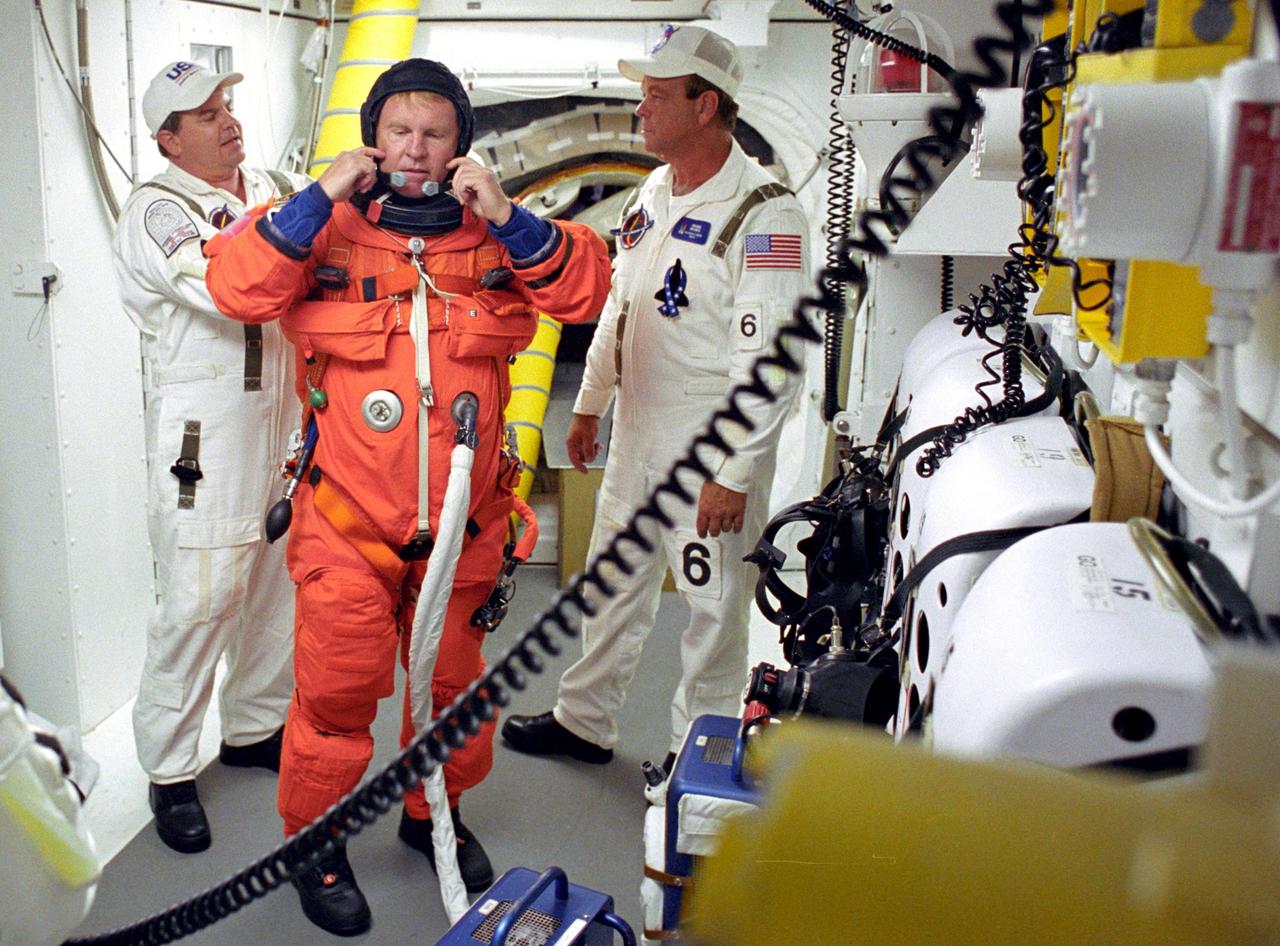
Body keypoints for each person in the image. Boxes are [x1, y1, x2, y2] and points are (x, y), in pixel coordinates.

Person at [203, 58, 610, 937]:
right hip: (349, 525)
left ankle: (436, 815)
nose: (415, 149)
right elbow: (236, 284)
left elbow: (585, 288)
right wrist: (318, 196)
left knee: (456, 695)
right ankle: (316, 841)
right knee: (336, 698)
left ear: (461, 142)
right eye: (398, 130)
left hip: (464, 530)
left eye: (434, 132)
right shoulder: (325, 230)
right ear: (372, 137)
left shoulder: (494, 235)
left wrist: (503, 211)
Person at [501, 26, 810, 774]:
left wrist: (732, 475)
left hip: (708, 448)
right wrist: (589, 404)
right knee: (613, 584)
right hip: (638, 433)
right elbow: (621, 304)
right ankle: (585, 721)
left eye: (658, 95)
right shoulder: (654, 188)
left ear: (707, 106)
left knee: (711, 612)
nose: (642, 108)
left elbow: (772, 360)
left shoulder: (766, 214)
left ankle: (695, 752)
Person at [112, 61, 308, 855]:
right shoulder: (158, 210)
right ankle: (168, 770)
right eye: (204, 113)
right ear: (169, 138)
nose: (228, 119)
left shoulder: (268, 181)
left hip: (283, 421)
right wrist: (290, 236)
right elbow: (235, 287)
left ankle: (256, 726)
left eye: (227, 103)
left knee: (274, 585)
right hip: (208, 436)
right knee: (199, 602)